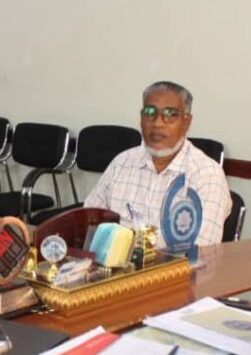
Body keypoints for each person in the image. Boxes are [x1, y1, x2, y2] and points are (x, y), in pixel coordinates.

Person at [84, 80, 230, 247]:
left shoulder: (207, 175)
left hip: (175, 265)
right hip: (111, 262)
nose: (157, 123)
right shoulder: (122, 163)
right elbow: (88, 223)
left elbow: (202, 250)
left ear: (186, 122)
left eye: (170, 114)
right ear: (141, 118)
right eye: (150, 112)